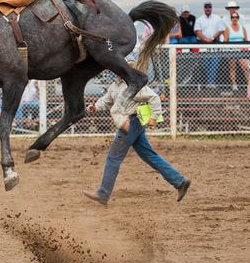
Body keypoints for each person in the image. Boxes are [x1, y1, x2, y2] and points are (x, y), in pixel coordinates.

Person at [82, 60, 191, 205]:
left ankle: (103, 193)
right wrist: (95, 107)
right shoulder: (116, 84)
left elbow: (154, 97)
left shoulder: (134, 85)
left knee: (113, 158)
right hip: (133, 123)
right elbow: (107, 100)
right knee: (149, 155)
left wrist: (153, 116)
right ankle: (179, 181)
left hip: (130, 123)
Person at [194, 2, 225, 87]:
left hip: (214, 44)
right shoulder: (199, 19)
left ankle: (211, 83)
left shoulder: (217, 18)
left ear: (211, 8)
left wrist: (212, 38)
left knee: (215, 63)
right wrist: (205, 39)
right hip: (203, 44)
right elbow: (198, 32)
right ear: (204, 8)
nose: (208, 9)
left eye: (209, 7)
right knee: (206, 63)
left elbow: (221, 30)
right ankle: (209, 83)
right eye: (206, 7)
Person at [224, 11, 250, 91]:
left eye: (236, 17)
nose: (234, 19)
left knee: (245, 67)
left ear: (238, 18)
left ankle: (249, 83)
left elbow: (246, 40)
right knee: (232, 68)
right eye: (233, 17)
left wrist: (246, 50)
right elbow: (225, 41)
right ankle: (234, 85)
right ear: (231, 19)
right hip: (232, 51)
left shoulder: (242, 28)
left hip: (241, 51)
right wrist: (227, 52)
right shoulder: (228, 29)